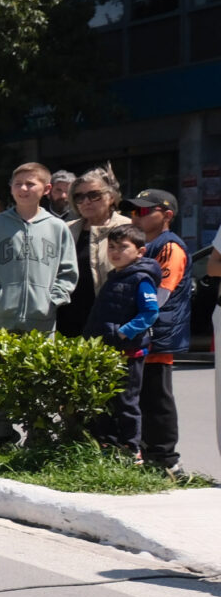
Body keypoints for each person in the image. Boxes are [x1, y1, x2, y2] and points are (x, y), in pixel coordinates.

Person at [0, 161, 78, 338]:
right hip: (1, 319)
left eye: (30, 184)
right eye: (18, 184)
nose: (23, 189)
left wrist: (53, 300)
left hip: (42, 321)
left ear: (47, 189)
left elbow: (68, 270)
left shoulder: (57, 227)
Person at [127, 189, 190, 474]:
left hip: (157, 335)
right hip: (141, 334)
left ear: (167, 215)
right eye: (133, 211)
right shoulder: (143, 246)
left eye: (143, 211)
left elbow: (161, 294)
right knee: (140, 397)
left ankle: (166, 459)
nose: (135, 216)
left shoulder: (169, 247)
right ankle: (146, 454)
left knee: (157, 398)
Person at [86, 224, 160, 456]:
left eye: (123, 247)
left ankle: (131, 448)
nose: (115, 252)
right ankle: (108, 444)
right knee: (106, 400)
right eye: (112, 247)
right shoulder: (115, 277)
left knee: (126, 401)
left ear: (140, 251)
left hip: (129, 352)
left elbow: (150, 312)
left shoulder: (141, 279)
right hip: (108, 350)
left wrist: (124, 332)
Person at [56, 167, 130, 338]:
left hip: (111, 319)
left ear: (111, 197)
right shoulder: (65, 230)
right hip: (68, 318)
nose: (86, 201)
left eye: (94, 195)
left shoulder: (127, 228)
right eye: (79, 197)